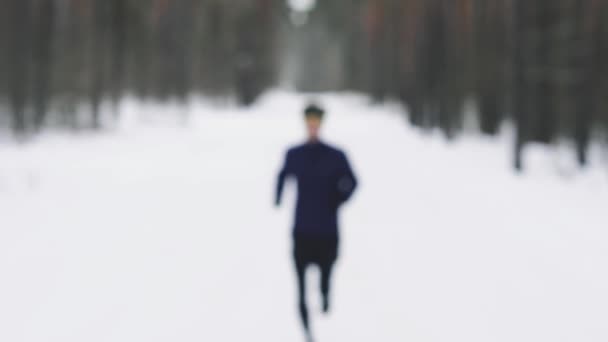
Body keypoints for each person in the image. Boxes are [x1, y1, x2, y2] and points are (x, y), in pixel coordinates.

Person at [275, 104, 358, 339]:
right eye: (308, 121)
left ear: (321, 124)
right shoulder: (295, 154)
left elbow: (353, 181)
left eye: (316, 121)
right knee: (300, 284)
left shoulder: (335, 156)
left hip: (327, 231)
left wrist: (338, 199)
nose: (312, 126)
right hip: (302, 229)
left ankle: (325, 295)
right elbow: (282, 175)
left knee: (326, 273)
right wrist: (278, 196)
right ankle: (307, 331)